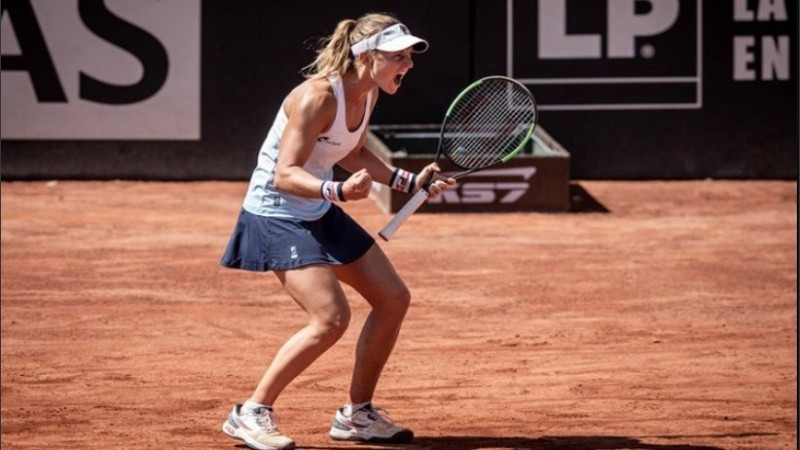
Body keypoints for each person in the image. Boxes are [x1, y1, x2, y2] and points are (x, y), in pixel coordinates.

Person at [219, 12, 455, 450]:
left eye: (408, 56)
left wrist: (407, 181)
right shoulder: (316, 97)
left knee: (392, 298)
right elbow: (284, 174)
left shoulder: (366, 94)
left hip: (318, 205)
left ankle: (358, 415)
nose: (409, 64)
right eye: (398, 56)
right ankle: (250, 411)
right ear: (365, 56)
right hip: (276, 213)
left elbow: (353, 151)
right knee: (330, 319)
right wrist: (338, 191)